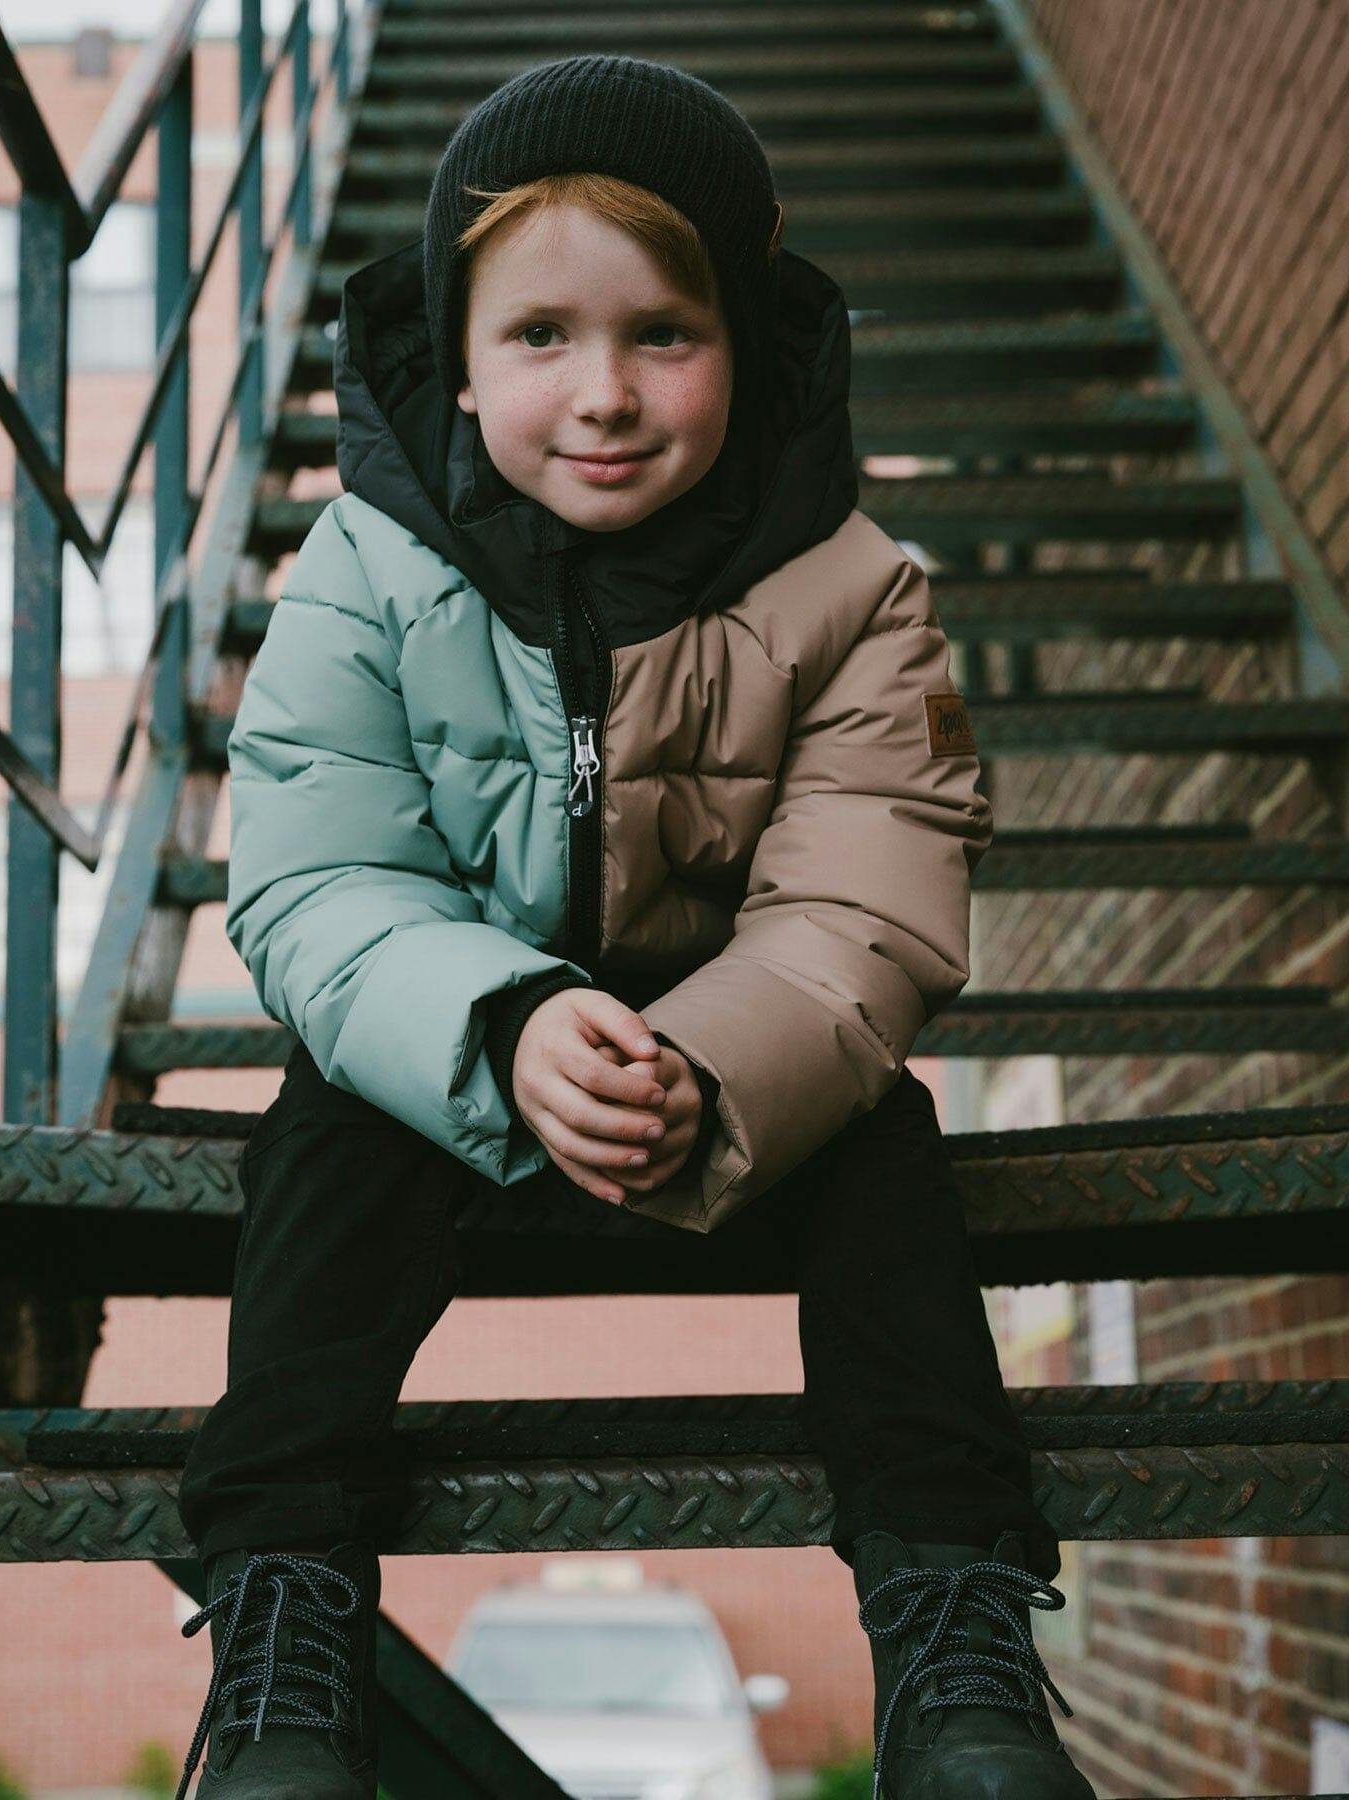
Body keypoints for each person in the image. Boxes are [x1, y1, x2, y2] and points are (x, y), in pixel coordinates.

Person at [171, 53, 1096, 1800]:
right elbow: (316, 879)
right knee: (315, 1138)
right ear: (456, 354)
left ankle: (955, 1631)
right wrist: (503, 1026)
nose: (601, 393)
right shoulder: (364, 569)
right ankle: (287, 1627)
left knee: (895, 1156)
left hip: (747, 1091)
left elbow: (867, 897)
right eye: (540, 337)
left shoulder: (853, 593)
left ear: (747, 352)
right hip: (458, 1088)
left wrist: (706, 1057)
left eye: (664, 331)